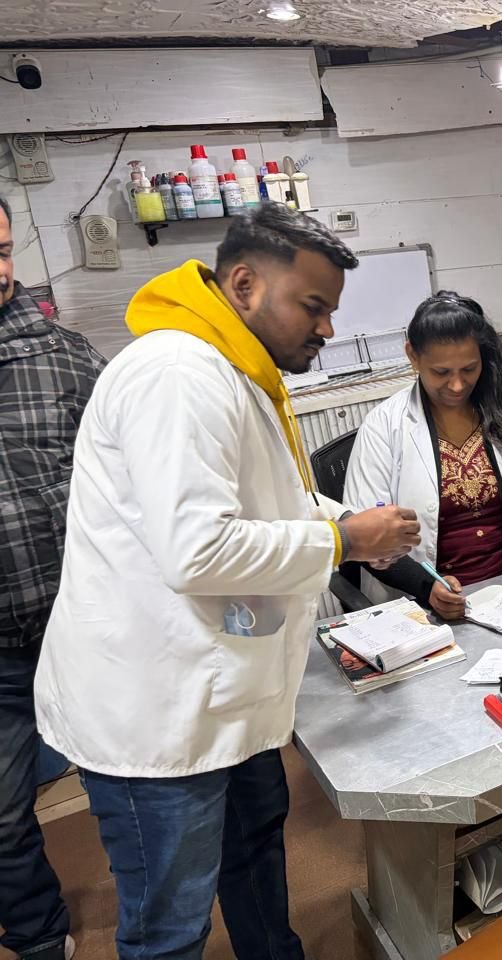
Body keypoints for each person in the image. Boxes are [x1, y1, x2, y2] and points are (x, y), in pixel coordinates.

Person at [33, 203, 421, 960]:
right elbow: (197, 549)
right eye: (314, 306)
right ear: (244, 284)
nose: (328, 328)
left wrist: (352, 524)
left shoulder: (235, 370)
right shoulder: (177, 375)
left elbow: (272, 501)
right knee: (171, 925)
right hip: (159, 717)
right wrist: (344, 539)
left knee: (254, 864)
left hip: (227, 696)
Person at [0, 193, 103, 960]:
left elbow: (126, 485)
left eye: (3, 251)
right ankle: (40, 939)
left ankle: (156, 926)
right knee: (2, 817)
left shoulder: (63, 357)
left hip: (83, 629)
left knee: (132, 790)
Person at [344, 292, 502, 617]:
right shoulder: (384, 426)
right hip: (431, 604)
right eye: (441, 372)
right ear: (412, 356)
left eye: (469, 368)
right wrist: (426, 587)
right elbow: (367, 536)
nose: (457, 385)